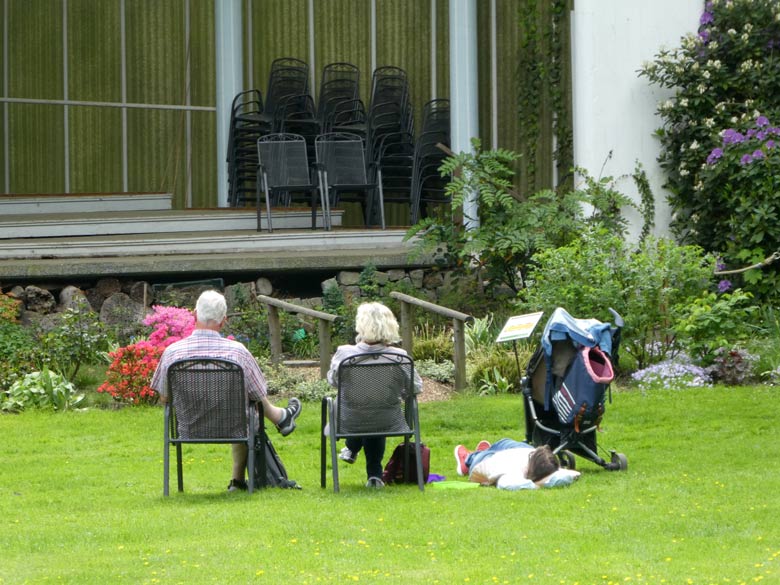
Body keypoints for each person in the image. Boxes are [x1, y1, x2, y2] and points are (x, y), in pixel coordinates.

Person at [151, 290, 302, 492]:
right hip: (235, 427)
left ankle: (278, 419)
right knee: (246, 411)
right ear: (223, 321)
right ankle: (238, 480)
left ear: (194, 315)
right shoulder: (237, 352)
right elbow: (258, 394)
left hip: (188, 428)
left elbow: (164, 398)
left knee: (243, 412)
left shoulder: (173, 353)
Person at [327, 302, 423, 489]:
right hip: (389, 420)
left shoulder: (345, 353)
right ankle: (375, 476)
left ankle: (351, 447)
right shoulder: (399, 357)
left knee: (365, 412)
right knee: (376, 413)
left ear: (360, 325)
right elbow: (415, 388)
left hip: (348, 420)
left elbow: (334, 381)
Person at [453, 439, 562, 490]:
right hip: (518, 453)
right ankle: (486, 450)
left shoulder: (513, 474)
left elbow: (506, 484)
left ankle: (467, 459)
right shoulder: (534, 457)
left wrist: (537, 485)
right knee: (504, 442)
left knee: (480, 457)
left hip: (490, 461)